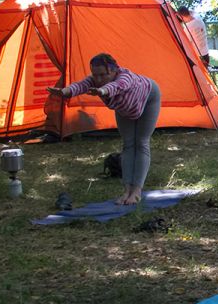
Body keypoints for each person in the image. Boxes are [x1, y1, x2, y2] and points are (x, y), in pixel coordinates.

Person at [46, 53, 161, 205]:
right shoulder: (95, 79)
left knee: (141, 142)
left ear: (114, 71)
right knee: (128, 144)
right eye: (95, 75)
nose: (98, 79)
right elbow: (80, 86)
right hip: (125, 107)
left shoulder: (125, 77)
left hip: (148, 98)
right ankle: (127, 190)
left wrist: (102, 91)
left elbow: (117, 86)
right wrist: (64, 92)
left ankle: (137, 191)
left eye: (103, 75)